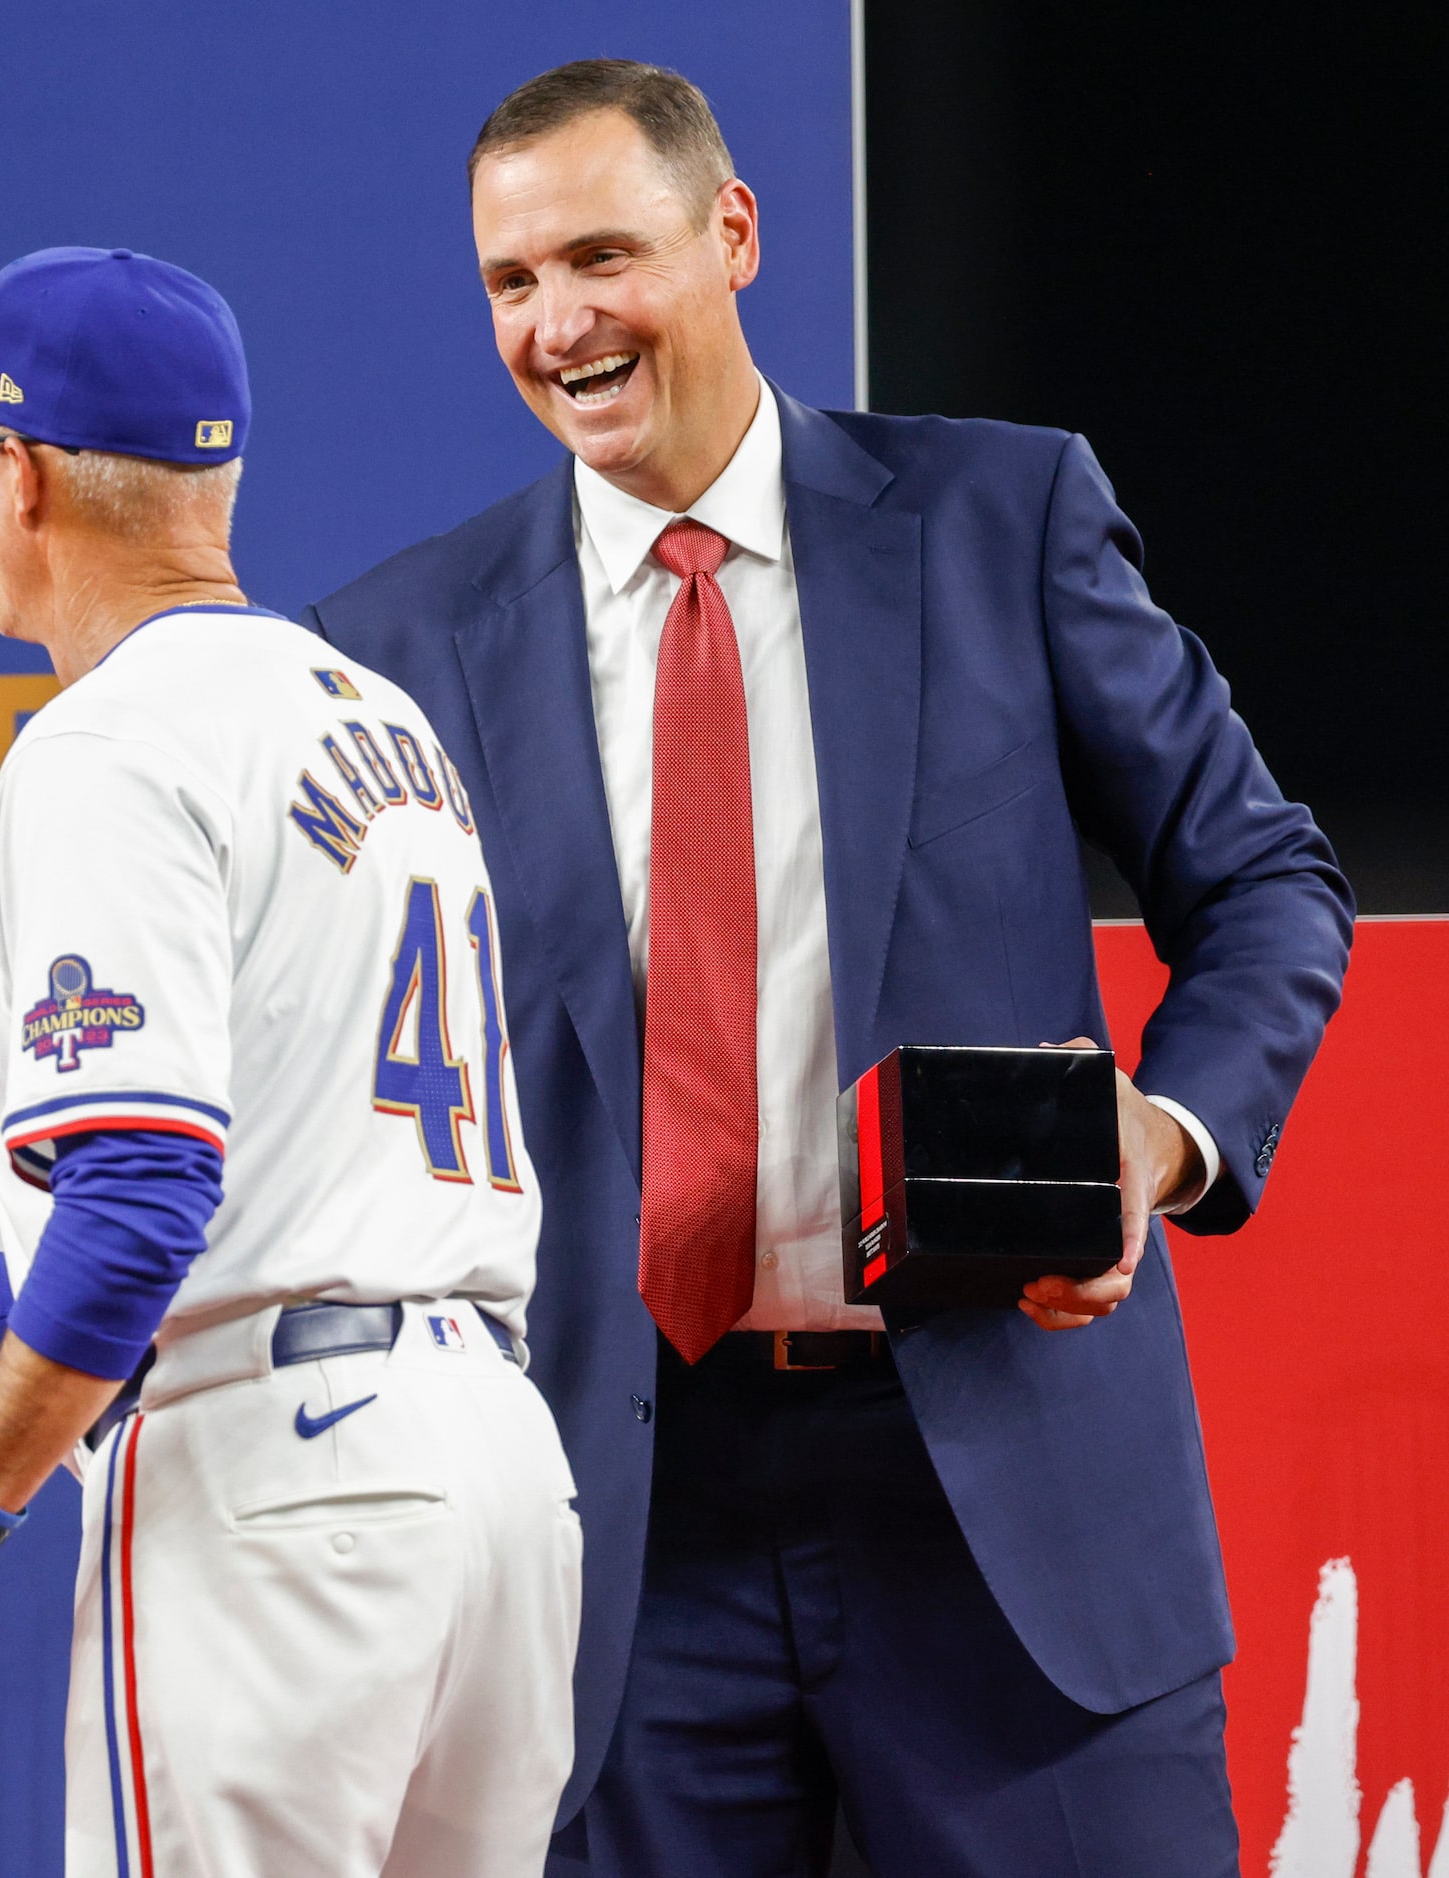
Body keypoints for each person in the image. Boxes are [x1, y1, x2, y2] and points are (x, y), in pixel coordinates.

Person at [299, 61, 1353, 1876]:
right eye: (510, 282)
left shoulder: (995, 522)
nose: (558, 325)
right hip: (617, 1526)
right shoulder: (393, 647)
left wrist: (1160, 1139)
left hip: (1008, 1488)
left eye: (600, 258)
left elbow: (1263, 878)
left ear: (733, 235)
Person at [0, 246, 583, 1875]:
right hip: (491, 1467)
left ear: (14, 474)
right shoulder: (372, 713)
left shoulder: (108, 737)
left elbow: (144, 1200)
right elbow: (239, 1200)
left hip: (278, 1486)